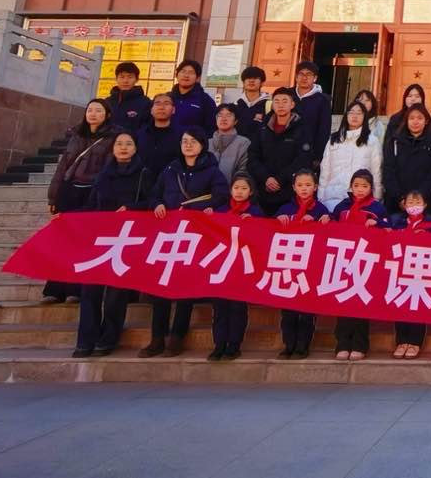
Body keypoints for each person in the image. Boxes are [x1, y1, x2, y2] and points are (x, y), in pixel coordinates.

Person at [140, 129, 229, 357]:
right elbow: (155, 194)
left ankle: (177, 337)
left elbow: (221, 197)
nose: (188, 145)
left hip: (193, 237)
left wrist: (194, 209)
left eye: (193, 141)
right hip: (168, 235)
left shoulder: (212, 171)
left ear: (202, 145)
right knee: (160, 287)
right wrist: (157, 204)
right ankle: (157, 338)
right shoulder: (170, 170)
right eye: (184, 141)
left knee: (184, 288)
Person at [73, 130, 148, 357]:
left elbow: (150, 202)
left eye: (128, 143)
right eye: (119, 144)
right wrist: (69, 218)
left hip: (126, 240)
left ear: (136, 148)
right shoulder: (103, 175)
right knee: (90, 292)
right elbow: (91, 206)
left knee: (116, 294)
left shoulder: (144, 174)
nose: (123, 147)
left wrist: (131, 208)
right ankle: (85, 340)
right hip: (100, 239)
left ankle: (108, 338)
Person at [45, 99, 116, 303]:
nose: (93, 114)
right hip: (70, 190)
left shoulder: (112, 137)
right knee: (63, 240)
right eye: (90, 110)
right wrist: (54, 194)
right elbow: (64, 165)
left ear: (107, 115)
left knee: (85, 241)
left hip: (92, 191)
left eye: (98, 110)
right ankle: (54, 288)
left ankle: (75, 289)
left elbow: (109, 168)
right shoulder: (77, 135)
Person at [203, 173, 263, 361]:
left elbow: (263, 236)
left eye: (244, 188)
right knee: (219, 308)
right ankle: (219, 344)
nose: (239, 192)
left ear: (250, 192)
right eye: (236, 188)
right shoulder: (220, 210)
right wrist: (208, 217)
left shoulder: (255, 211)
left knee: (237, 308)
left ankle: (234, 345)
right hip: (221, 267)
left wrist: (254, 222)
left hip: (242, 266)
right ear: (230, 190)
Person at [330, 169, 388, 360]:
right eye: (356, 186)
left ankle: (360, 345)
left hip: (365, 261)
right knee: (343, 303)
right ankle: (342, 344)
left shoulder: (377, 208)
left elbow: (387, 230)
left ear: (371, 188)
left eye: (364, 186)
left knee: (360, 304)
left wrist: (377, 225)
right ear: (351, 187)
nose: (360, 189)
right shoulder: (342, 207)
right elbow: (331, 224)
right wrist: (326, 218)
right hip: (343, 259)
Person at [274, 169, 329, 358]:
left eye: (308, 185)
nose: (304, 188)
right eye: (300, 185)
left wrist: (323, 221)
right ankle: (288, 344)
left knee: (306, 309)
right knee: (288, 310)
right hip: (288, 266)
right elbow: (270, 232)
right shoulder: (285, 208)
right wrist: (277, 220)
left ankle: (302, 346)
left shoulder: (321, 209)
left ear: (315, 187)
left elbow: (329, 233)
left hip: (310, 265)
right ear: (293, 187)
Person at [246, 87, 314, 216]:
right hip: (263, 189)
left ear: (292, 104)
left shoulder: (302, 129)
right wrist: (266, 178)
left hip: (289, 192)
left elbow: (303, 158)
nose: (280, 105)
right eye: (276, 101)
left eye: (285, 101)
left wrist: (280, 179)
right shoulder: (263, 128)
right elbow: (253, 156)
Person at [389, 189, 431, 358]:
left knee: (417, 306)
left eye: (418, 203)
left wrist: (427, 237)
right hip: (401, 269)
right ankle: (401, 341)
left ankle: (415, 342)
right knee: (400, 304)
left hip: (421, 272)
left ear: (425, 205)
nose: (414, 206)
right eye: (410, 203)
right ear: (404, 205)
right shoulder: (398, 222)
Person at [382, 103, 431, 212]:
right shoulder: (394, 142)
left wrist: (419, 197)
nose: (415, 121)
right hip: (397, 203)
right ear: (406, 121)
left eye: (420, 118)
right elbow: (388, 171)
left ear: (426, 121)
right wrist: (400, 198)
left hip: (424, 203)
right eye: (412, 118)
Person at [319, 101, 380, 208]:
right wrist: (320, 197)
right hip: (333, 197)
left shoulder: (372, 141)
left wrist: (377, 198)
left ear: (365, 117)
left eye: (359, 113)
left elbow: (376, 171)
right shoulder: (334, 139)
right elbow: (325, 169)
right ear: (346, 116)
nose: (355, 116)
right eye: (351, 112)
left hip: (361, 198)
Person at [292, 61, 332, 172]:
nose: (304, 77)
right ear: (296, 77)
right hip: (286, 149)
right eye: (301, 74)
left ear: (315, 78)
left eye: (308, 74)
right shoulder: (288, 95)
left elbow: (324, 130)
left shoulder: (322, 100)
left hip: (308, 151)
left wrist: (318, 156)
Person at [136, 93, 181, 183]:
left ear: (173, 110)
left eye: (166, 103)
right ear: (151, 110)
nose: (161, 107)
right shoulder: (140, 134)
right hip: (142, 184)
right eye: (157, 103)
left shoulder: (182, 136)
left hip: (171, 184)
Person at [169, 59, 217, 135]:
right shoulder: (168, 98)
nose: (186, 75)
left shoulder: (205, 100)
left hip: (192, 141)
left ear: (197, 78)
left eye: (191, 73)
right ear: (177, 74)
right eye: (183, 71)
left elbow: (211, 129)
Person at [104, 62, 151, 132]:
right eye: (122, 77)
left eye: (130, 77)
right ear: (116, 79)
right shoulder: (107, 102)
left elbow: (147, 128)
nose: (125, 81)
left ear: (137, 79)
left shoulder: (145, 102)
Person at [209, 103, 250, 181]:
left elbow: (243, 172)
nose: (223, 119)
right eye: (220, 115)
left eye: (228, 115)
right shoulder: (207, 143)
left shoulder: (244, 143)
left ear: (236, 121)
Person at [383, 83, 427, 153]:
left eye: (417, 96)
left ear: (422, 99)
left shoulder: (428, 120)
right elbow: (388, 145)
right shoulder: (395, 119)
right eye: (409, 96)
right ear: (405, 99)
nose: (413, 99)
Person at [232, 65, 270, 140]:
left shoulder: (269, 105)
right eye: (248, 78)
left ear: (262, 83)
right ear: (243, 82)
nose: (251, 81)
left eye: (255, 78)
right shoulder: (235, 105)